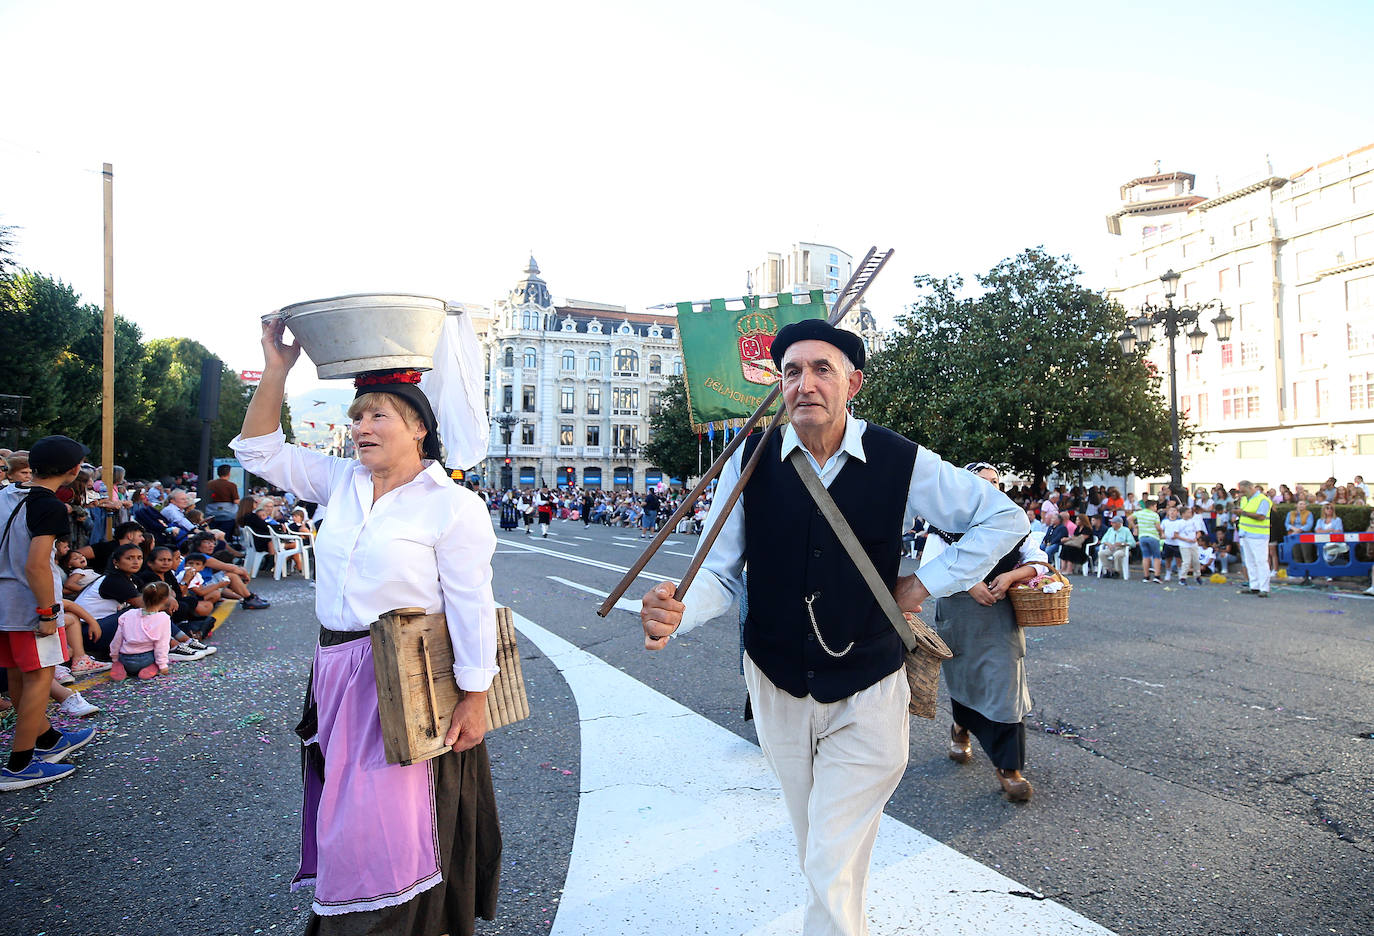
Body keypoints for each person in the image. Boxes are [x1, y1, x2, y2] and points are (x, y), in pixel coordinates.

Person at [638, 320, 1025, 935]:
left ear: (854, 383)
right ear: (780, 386)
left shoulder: (899, 459)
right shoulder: (749, 460)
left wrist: (924, 584)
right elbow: (722, 572)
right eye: (791, 371)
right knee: (822, 848)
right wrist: (678, 610)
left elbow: (1002, 518)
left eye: (822, 369)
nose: (805, 383)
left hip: (869, 685)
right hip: (777, 682)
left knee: (827, 854)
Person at [231, 316, 500, 934]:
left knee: (392, 821)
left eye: (379, 416)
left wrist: (476, 695)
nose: (361, 428)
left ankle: (394, 924)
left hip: (403, 676)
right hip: (334, 668)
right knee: (344, 811)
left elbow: (470, 603)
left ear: (420, 429)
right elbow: (257, 449)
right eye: (357, 417)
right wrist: (277, 367)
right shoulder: (340, 483)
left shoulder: (452, 505)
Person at [927, 462, 1047, 802]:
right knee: (966, 679)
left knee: (1005, 682)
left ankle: (1009, 769)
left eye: (996, 482)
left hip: (999, 615)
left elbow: (1037, 560)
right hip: (960, 613)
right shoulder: (946, 524)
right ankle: (960, 729)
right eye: (983, 482)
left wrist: (1010, 577)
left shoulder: (1013, 523)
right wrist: (971, 582)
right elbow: (933, 566)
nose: (992, 488)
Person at [0, 436, 98, 791]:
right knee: (39, 679)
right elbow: (37, 565)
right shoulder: (50, 507)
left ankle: (47, 738)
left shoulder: (8, 493)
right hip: (31, 604)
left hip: (4, 602)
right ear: (73, 471)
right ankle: (19, 764)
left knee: (17, 674)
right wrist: (46, 612)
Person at [110, 581, 175, 680]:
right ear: (166, 599)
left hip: (125, 658)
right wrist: (163, 665)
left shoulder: (128, 614)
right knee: (155, 656)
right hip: (146, 659)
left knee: (122, 661)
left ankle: (121, 667)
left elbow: (117, 639)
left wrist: (115, 658)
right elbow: (162, 645)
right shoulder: (163, 618)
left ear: (143, 597)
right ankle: (152, 667)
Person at [1233, 480, 1272, 597]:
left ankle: (1264, 588)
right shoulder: (1245, 499)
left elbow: (1261, 516)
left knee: (1261, 561)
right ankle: (1254, 586)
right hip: (1245, 534)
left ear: (1250, 487)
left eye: (1243, 491)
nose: (1242, 493)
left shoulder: (1263, 500)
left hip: (1258, 535)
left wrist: (1243, 513)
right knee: (1249, 562)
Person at [1313, 504, 1346, 581]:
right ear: (1324, 510)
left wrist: (1324, 531)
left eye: (1331, 508)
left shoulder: (1337, 520)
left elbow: (1338, 531)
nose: (1329, 510)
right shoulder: (1320, 520)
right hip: (1322, 543)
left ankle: (1331, 574)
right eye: (1327, 508)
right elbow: (1317, 531)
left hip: (1334, 542)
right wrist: (1330, 530)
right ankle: (1325, 573)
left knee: (1331, 556)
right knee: (1323, 556)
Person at [1133, 498, 1163, 583]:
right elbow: (1158, 527)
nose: (1156, 508)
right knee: (1156, 557)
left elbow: (1129, 519)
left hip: (1142, 536)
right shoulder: (1154, 515)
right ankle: (1157, 576)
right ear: (1152, 506)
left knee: (1146, 556)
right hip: (1153, 536)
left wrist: (1135, 527)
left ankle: (1146, 576)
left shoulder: (1139, 513)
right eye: (1155, 506)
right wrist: (1161, 532)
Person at [1286, 499, 1317, 571]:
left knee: (1307, 554)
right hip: (1293, 535)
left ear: (1306, 506)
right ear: (1296, 505)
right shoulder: (1290, 513)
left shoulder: (1309, 514)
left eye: (1303, 504)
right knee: (1296, 554)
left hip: (1305, 535)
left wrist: (1299, 530)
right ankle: (1299, 571)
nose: (1302, 505)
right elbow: (1287, 524)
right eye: (1300, 504)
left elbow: (1309, 525)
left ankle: (1308, 572)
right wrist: (1293, 529)